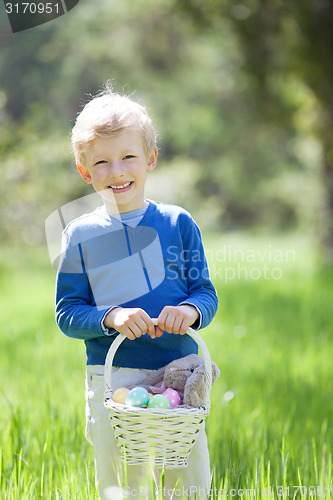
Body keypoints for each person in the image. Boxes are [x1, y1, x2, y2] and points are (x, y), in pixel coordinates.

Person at [55, 86, 218, 499]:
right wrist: (110, 317)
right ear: (85, 172)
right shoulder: (80, 234)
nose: (117, 171)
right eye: (102, 162)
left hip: (177, 374)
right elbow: (68, 312)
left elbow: (205, 293)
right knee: (122, 483)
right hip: (113, 379)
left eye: (128, 157)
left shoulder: (178, 223)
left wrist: (190, 311)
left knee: (187, 478)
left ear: (151, 158)